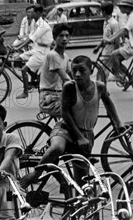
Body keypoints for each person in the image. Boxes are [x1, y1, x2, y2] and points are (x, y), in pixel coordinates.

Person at [21, 55, 124, 188]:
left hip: (86, 135)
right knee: (57, 148)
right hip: (66, 129)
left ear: (91, 71)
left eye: (82, 70)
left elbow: (109, 103)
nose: (77, 74)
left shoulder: (100, 87)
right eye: (74, 71)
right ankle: (36, 173)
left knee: (82, 184)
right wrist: (79, 137)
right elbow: (66, 114)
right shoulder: (69, 86)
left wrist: (118, 123)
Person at [13, 4, 53, 99]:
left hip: (42, 52)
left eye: (33, 12)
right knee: (17, 60)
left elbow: (32, 39)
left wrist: (18, 48)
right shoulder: (34, 23)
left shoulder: (43, 25)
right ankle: (34, 76)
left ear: (38, 13)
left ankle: (25, 92)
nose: (31, 14)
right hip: (36, 49)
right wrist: (18, 46)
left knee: (23, 70)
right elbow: (29, 37)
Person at [38, 23, 72, 117]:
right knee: (74, 114)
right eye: (61, 36)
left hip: (59, 96)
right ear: (54, 38)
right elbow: (66, 78)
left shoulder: (65, 56)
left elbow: (71, 75)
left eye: (67, 36)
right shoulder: (53, 55)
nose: (64, 39)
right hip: (49, 98)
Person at [106, 0, 133, 90]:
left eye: (122, 7)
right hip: (130, 44)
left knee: (114, 54)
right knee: (117, 59)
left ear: (127, 8)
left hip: (132, 46)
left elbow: (124, 30)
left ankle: (117, 76)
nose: (120, 9)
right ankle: (129, 78)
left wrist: (111, 38)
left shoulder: (132, 16)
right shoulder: (129, 16)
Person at [93, 2, 120, 78]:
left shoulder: (114, 23)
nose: (101, 13)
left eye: (101, 11)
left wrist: (115, 53)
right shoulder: (105, 22)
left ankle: (102, 88)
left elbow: (117, 40)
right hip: (105, 50)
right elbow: (104, 38)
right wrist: (98, 47)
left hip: (110, 51)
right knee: (102, 70)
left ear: (104, 12)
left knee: (102, 72)